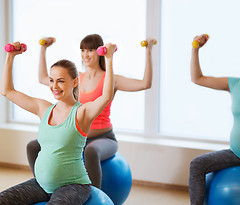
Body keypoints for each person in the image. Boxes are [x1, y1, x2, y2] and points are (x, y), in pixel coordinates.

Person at [0, 41, 116, 205]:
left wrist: (108, 59)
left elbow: (106, 95)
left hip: (73, 186)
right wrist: (10, 57)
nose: (54, 86)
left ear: (74, 82)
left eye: (61, 81)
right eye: (51, 80)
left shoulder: (82, 112)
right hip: (42, 184)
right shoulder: (44, 108)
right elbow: (7, 91)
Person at [26, 34, 156, 188]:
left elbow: (145, 84)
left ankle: (94, 197)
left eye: (90, 50)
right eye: (82, 50)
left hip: (103, 138)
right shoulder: (77, 78)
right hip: (75, 138)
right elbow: (43, 78)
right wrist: (43, 49)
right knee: (33, 146)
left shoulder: (110, 79)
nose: (85, 54)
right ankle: (42, 186)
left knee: (91, 151)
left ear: (100, 52)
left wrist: (148, 51)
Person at [177, 34, 240, 205]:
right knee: (197, 164)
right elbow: (198, 78)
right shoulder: (235, 84)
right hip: (235, 153)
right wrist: (195, 50)